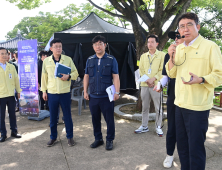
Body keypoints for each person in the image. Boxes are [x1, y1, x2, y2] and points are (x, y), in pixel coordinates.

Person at [166, 12, 222, 170]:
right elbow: (172, 73)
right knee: (182, 148)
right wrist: (171, 57)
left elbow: (219, 75)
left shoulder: (210, 47)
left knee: (195, 149)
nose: (185, 29)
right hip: (179, 105)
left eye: (189, 24)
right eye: (182, 26)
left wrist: (202, 79)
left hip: (198, 107)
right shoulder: (180, 48)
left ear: (198, 27)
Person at [83, 35, 120, 150]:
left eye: (100, 44)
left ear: (105, 45)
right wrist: (85, 91)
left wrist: (117, 92)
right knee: (95, 119)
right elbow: (86, 76)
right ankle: (98, 139)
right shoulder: (90, 60)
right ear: (93, 47)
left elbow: (116, 77)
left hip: (106, 96)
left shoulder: (111, 59)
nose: (98, 46)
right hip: (93, 95)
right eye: (95, 44)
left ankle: (109, 140)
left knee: (109, 119)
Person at [154, 31, 184, 168]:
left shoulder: (192, 53)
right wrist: (160, 84)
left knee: (187, 129)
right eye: (175, 37)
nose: (177, 39)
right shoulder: (168, 54)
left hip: (189, 97)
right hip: (173, 96)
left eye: (180, 36)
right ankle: (170, 154)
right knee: (171, 127)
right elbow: (166, 75)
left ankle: (187, 154)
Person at [41, 38, 79, 147]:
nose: (58, 48)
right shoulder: (46, 61)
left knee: (67, 116)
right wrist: (44, 91)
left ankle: (70, 137)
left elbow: (75, 73)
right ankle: (53, 137)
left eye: (60, 46)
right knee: (53, 118)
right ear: (51, 48)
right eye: (56, 46)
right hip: (52, 93)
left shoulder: (68, 59)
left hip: (65, 93)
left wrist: (69, 76)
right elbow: (44, 78)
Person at [135, 35, 165, 136]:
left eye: (152, 42)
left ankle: (158, 126)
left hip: (157, 85)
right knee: (145, 106)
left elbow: (163, 70)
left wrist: (153, 78)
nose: (150, 44)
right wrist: (147, 80)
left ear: (157, 43)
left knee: (158, 107)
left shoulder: (162, 55)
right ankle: (144, 126)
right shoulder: (143, 56)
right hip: (144, 84)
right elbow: (141, 70)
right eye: (148, 42)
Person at [0, 47, 22, 142]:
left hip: (11, 95)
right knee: (1, 117)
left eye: (6, 53)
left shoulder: (11, 66)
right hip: (1, 96)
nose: (5, 55)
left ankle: (14, 131)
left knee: (12, 114)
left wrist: (18, 91)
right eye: (2, 54)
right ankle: (3, 134)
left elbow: (16, 79)